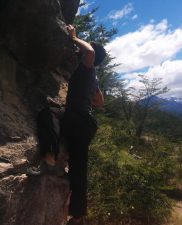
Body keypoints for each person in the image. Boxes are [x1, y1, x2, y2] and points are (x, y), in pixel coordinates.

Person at [63, 25, 106, 225]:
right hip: (87, 123)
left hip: (77, 120)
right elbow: (100, 102)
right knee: (79, 169)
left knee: (48, 114)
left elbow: (88, 51)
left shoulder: (86, 67)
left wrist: (74, 36)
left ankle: (48, 160)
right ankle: (78, 216)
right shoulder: (93, 77)